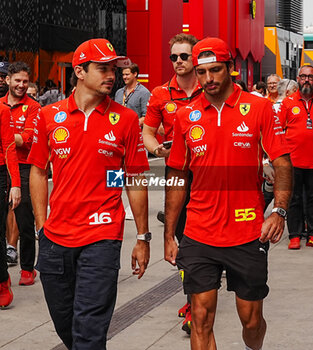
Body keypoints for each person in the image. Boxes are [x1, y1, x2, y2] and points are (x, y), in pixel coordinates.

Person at [164, 37, 292, 350]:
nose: (208, 79)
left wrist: (278, 210)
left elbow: (282, 161)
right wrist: (169, 233)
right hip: (199, 232)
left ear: (231, 69)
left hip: (247, 232)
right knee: (201, 316)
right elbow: (178, 174)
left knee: (251, 321)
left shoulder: (258, 108)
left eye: (215, 70)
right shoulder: (185, 116)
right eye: (202, 72)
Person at [28, 38, 151, 350]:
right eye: (102, 68)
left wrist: (142, 237)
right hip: (56, 238)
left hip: (103, 237)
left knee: (89, 330)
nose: (111, 74)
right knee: (67, 326)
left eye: (113, 68)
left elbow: (135, 179)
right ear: (79, 71)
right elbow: (39, 171)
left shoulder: (124, 120)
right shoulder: (48, 116)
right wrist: (42, 226)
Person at [143, 33, 203, 334]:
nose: (178, 62)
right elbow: (148, 133)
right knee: (181, 236)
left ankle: (197, 299)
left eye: (184, 56)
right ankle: (193, 297)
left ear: (196, 58)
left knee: (201, 237)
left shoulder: (210, 88)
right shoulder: (159, 94)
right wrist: (159, 150)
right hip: (177, 172)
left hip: (209, 175)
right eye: (174, 57)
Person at [0, 62, 40, 284]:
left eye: (25, 81)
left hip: (25, 166)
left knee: (24, 217)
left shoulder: (33, 107)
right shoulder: (0, 105)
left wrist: (5, 135)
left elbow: (28, 139)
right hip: (2, 165)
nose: (21, 85)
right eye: (17, 80)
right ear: (8, 80)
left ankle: (27, 268)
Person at [278, 65, 313, 250]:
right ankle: (294, 235)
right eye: (303, 77)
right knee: (295, 199)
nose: (307, 80)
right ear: (298, 79)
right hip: (293, 161)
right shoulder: (288, 103)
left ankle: (312, 234)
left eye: (310, 77)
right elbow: (278, 131)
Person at [115, 63, 151, 220]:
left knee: (134, 173)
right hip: (117, 137)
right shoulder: (118, 92)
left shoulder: (144, 93)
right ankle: (116, 204)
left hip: (134, 138)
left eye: (127, 74)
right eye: (123, 75)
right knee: (115, 171)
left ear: (135, 74)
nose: (124, 77)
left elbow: (147, 115)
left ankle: (133, 206)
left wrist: (131, 123)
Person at [0, 103, 21, 307]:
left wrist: (15, 183)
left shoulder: (3, 110)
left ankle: (1, 281)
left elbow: (9, 147)